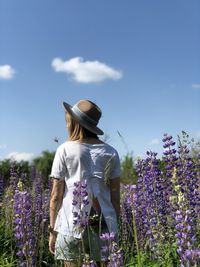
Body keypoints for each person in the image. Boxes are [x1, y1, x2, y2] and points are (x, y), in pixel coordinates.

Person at [49, 99, 121, 267]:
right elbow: (116, 198)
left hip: (70, 225)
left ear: (75, 123)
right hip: (104, 226)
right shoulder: (111, 152)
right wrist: (116, 229)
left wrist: (52, 232)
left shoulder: (64, 149)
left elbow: (55, 197)